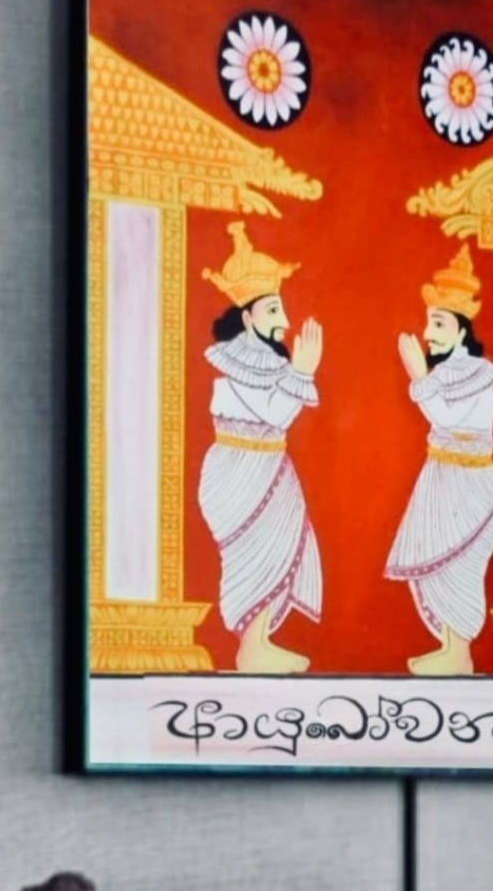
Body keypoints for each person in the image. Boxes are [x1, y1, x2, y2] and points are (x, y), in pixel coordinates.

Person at [198, 222, 323, 674]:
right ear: (248, 317)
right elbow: (275, 414)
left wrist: (300, 372)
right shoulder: (236, 365)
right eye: (273, 310)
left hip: (270, 465)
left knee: (279, 549)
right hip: (241, 471)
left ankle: (260, 642)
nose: (284, 321)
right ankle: (252, 647)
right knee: (253, 554)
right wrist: (303, 371)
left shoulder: (269, 361)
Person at [385, 243, 493, 675]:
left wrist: (418, 375)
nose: (428, 332)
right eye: (429, 322)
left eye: (438, 323)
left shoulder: (477, 375)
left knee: (460, 568)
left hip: (469, 484)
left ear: (461, 329)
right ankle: (450, 649)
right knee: (437, 568)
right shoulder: (445, 373)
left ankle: (459, 653)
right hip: (440, 476)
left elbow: (448, 419)